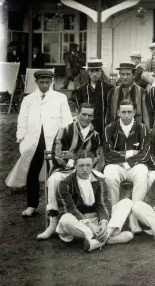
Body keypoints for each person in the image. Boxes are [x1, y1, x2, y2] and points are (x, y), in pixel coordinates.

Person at [6, 69, 73, 217]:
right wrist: (21, 138)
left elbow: (67, 120)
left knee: (55, 173)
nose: (44, 85)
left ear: (51, 82)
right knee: (32, 172)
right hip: (33, 142)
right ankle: (32, 205)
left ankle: (54, 205)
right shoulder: (29, 99)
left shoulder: (59, 98)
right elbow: (22, 120)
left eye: (47, 82)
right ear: (36, 82)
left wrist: (62, 140)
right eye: (41, 82)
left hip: (54, 141)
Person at [37, 103, 102, 240]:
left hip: (85, 169)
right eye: (84, 114)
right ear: (78, 114)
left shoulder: (95, 135)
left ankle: (100, 220)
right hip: (64, 169)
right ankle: (53, 223)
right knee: (54, 180)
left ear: (93, 117)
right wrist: (72, 162)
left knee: (102, 178)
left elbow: (95, 156)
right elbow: (58, 154)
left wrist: (73, 157)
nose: (87, 118)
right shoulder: (65, 130)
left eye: (90, 115)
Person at [55, 151, 134, 252]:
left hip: (96, 220)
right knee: (65, 219)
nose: (85, 169)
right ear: (75, 165)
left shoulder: (99, 181)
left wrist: (103, 224)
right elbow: (70, 209)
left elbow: (103, 204)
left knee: (126, 202)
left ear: (92, 165)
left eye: (88, 165)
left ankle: (98, 240)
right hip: (78, 223)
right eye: (81, 165)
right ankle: (108, 238)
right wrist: (91, 226)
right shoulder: (65, 184)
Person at [103, 100, 150, 232]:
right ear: (118, 113)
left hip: (135, 165)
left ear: (134, 113)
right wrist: (129, 153)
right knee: (109, 177)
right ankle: (115, 216)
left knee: (142, 175)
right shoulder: (110, 128)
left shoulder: (143, 128)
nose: (127, 115)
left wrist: (128, 161)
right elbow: (108, 153)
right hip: (115, 165)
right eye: (123, 112)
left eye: (129, 112)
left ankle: (133, 218)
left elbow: (145, 153)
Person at [71, 58, 114, 139]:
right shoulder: (81, 90)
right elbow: (76, 107)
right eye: (92, 71)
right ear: (88, 72)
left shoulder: (109, 89)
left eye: (97, 71)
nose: (95, 74)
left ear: (101, 72)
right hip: (86, 128)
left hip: (104, 127)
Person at [107, 62, 150, 126]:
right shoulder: (113, 92)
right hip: (117, 131)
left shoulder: (142, 92)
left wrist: (146, 132)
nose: (125, 77)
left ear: (133, 75)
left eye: (128, 74)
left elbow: (146, 116)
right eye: (122, 74)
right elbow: (109, 114)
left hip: (137, 130)